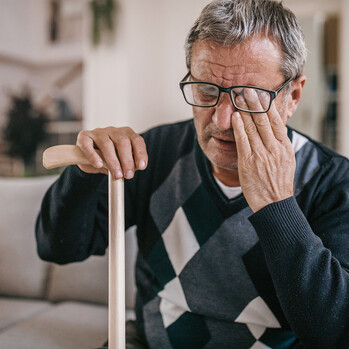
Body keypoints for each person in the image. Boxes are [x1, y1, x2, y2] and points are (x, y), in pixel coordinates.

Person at [36, 0, 349, 348]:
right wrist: (85, 173)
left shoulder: (334, 182)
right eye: (206, 91)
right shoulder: (153, 153)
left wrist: (277, 204)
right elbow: (57, 248)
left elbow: (333, 332)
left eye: (248, 97)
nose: (221, 120)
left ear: (292, 96)